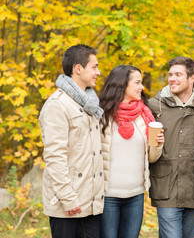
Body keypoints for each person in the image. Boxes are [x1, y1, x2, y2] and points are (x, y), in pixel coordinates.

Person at [38, 44, 104, 238]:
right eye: (94, 67)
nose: (98, 73)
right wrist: (68, 199)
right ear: (78, 69)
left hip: (91, 203)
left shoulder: (90, 104)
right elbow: (55, 157)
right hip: (68, 205)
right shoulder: (57, 105)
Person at [148, 56, 194, 238]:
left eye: (178, 74)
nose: (171, 79)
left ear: (192, 78)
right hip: (165, 188)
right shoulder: (154, 106)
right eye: (170, 74)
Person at [99, 65, 164, 238]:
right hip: (108, 195)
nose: (141, 87)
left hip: (136, 195)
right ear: (122, 84)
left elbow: (151, 158)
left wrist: (157, 145)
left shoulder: (144, 115)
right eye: (137, 82)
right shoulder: (101, 115)